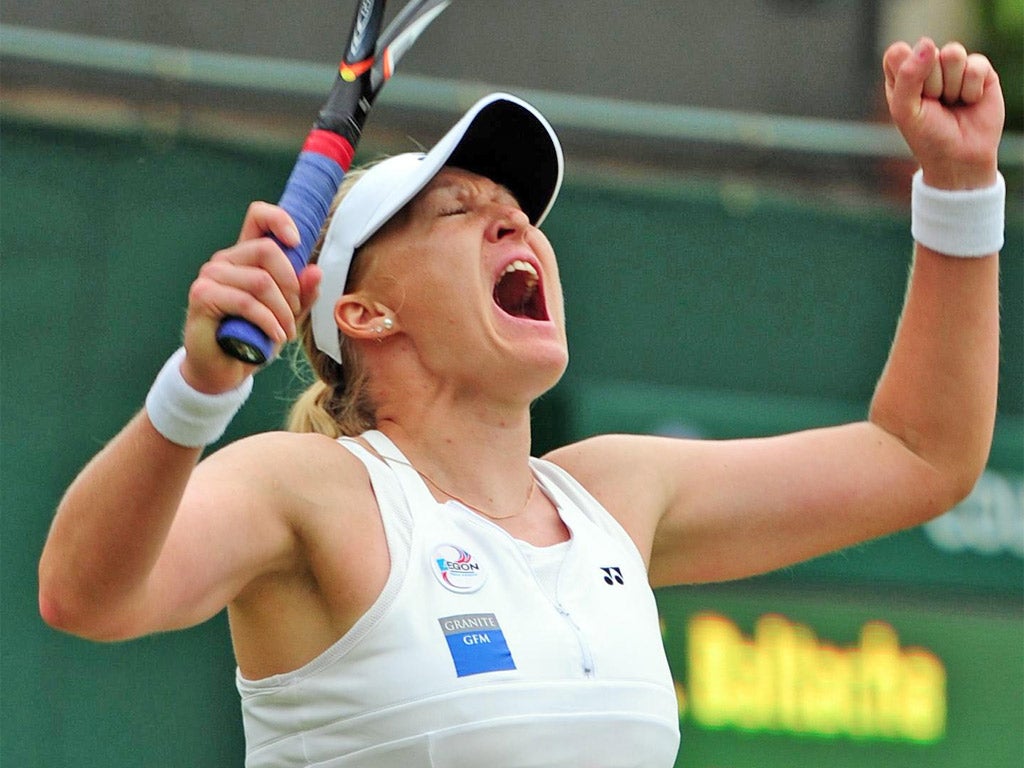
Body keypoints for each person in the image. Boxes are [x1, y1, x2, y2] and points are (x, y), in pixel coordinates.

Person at [39, 37, 1005, 767]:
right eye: (459, 212)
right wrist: (198, 391)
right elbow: (85, 594)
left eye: (518, 214)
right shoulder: (315, 491)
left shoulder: (614, 497)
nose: (515, 222)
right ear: (364, 311)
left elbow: (922, 455)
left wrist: (959, 189)